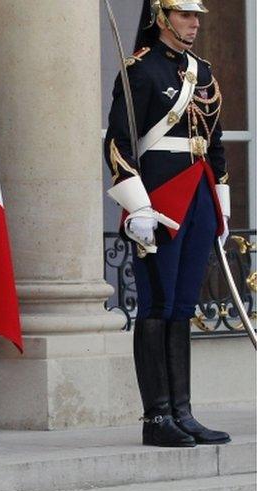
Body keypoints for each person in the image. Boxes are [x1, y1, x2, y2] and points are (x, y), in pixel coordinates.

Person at [104, 0, 231, 447]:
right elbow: (118, 142)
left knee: (182, 306)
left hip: (197, 197)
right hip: (158, 200)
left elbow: (214, 143)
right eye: (185, 15)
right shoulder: (139, 70)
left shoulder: (205, 72)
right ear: (162, 17)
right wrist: (136, 206)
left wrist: (221, 204)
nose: (194, 23)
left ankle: (183, 410)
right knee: (157, 305)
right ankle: (156, 417)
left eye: (197, 17)